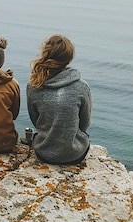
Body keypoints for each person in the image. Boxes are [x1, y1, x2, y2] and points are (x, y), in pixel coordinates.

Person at [26, 34, 91, 164]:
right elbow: (85, 123)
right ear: (69, 58)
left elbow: (35, 120)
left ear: (45, 55)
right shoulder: (82, 87)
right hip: (75, 154)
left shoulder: (34, 85)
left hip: (44, 153)